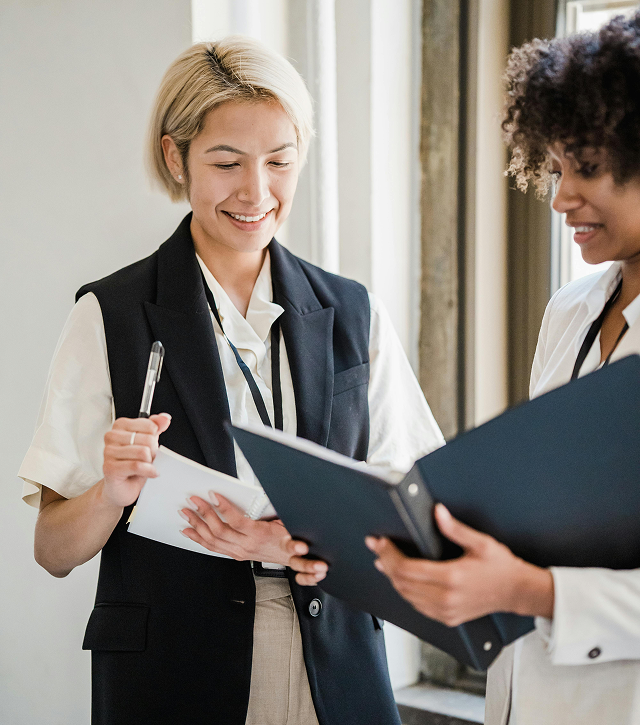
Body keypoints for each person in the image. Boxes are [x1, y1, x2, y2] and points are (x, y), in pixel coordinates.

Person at [19, 37, 445, 725]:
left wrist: (306, 544)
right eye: (227, 162)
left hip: (333, 666)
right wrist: (110, 493)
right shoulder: (110, 314)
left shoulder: (353, 312)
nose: (257, 191)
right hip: (174, 675)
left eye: (280, 161)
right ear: (174, 156)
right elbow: (52, 550)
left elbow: (418, 508)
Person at [289, 11, 640, 725]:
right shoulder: (573, 309)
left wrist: (532, 590)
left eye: (588, 168)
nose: (560, 197)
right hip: (525, 693)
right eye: (554, 166)